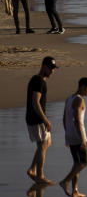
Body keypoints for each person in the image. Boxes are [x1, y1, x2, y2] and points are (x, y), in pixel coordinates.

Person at [60, 77, 87, 197]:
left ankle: (75, 191)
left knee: (76, 164)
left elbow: (64, 119)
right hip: (78, 135)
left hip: (70, 134)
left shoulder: (69, 99)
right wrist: (83, 138)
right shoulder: (79, 100)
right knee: (84, 162)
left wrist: (67, 135)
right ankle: (65, 181)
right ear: (83, 87)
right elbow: (78, 120)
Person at [26, 56, 57, 186]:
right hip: (36, 118)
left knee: (46, 142)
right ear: (43, 66)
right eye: (50, 68)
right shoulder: (38, 81)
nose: (52, 71)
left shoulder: (38, 80)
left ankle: (33, 169)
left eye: (53, 69)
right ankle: (40, 175)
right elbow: (35, 102)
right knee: (43, 144)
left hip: (35, 117)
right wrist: (46, 120)